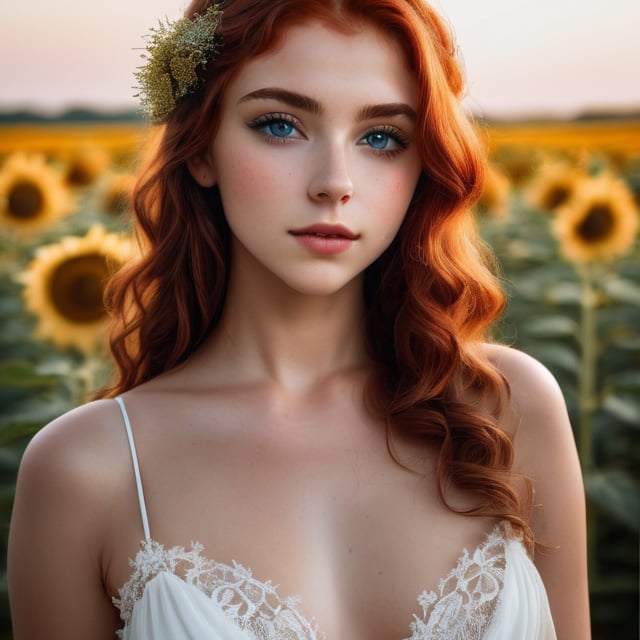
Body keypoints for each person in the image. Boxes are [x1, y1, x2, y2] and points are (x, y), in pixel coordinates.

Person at [7, 0, 590, 638]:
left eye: (381, 137)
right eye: (281, 125)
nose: (335, 182)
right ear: (201, 148)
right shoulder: (87, 470)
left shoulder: (509, 409)